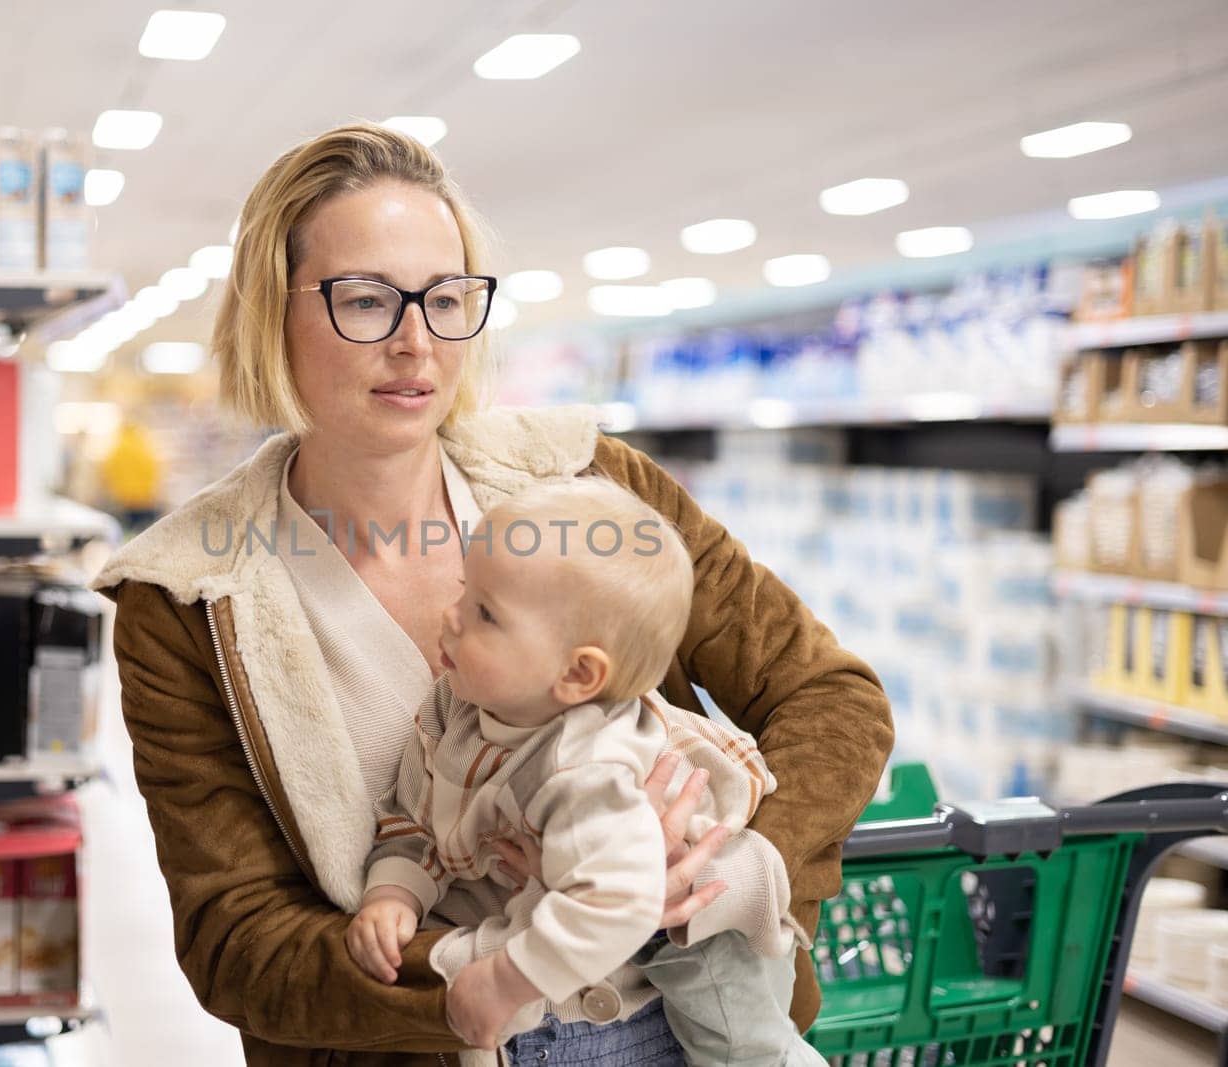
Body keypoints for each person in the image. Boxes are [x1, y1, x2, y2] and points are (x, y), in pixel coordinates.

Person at [91, 122, 894, 1067]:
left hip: (695, 1032)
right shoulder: (190, 598)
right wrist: (490, 973)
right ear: (273, 311)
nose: (415, 343)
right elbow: (240, 943)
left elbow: (832, 696)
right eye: (364, 300)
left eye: (446, 298)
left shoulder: (597, 488)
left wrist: (733, 860)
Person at [347, 478, 825, 1066]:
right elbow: (415, 813)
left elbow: (622, 901)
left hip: (705, 938)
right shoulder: (458, 706)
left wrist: (504, 981)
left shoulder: (586, 766)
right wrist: (396, 891)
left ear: (577, 675)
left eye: (485, 614)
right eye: (466, 590)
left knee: (741, 1048)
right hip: (600, 942)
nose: (450, 616)